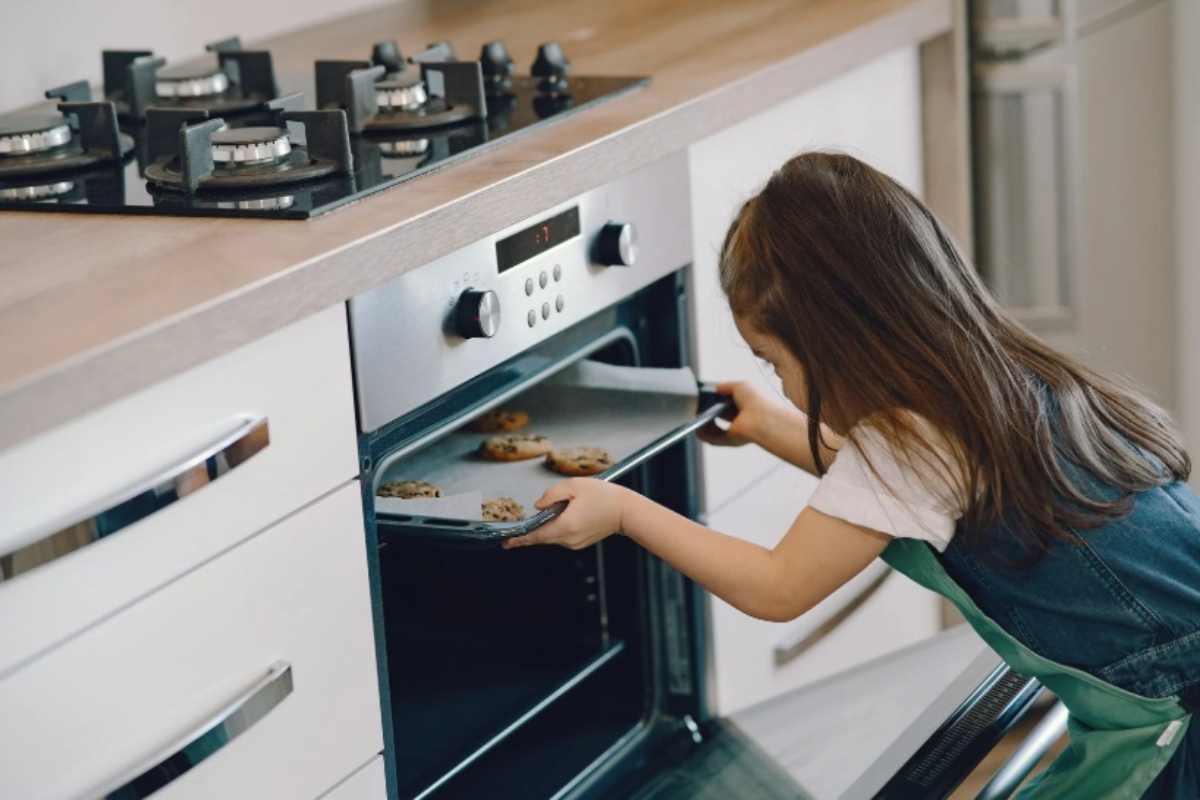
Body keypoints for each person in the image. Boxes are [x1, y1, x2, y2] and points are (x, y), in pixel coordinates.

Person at [502, 152, 1200, 797]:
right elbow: (899, 496)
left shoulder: (908, 442)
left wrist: (625, 512)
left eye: (774, 361)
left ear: (838, 340)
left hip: (1173, 710)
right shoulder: (997, 382)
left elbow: (777, 589)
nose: (775, 379)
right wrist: (771, 426)